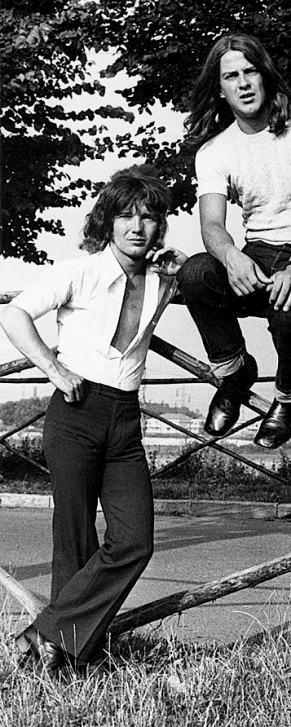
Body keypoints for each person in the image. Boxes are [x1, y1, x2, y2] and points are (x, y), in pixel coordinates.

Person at [0, 166, 186, 676]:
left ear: (160, 225)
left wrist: (180, 270)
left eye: (148, 217)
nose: (137, 227)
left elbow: (187, 281)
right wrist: (53, 368)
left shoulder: (163, 280)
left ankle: (44, 633)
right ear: (108, 221)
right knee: (75, 536)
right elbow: (14, 314)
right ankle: (68, 660)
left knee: (135, 540)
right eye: (126, 215)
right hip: (76, 411)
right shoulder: (78, 272)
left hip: (125, 418)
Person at [177, 33, 291, 449]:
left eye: (250, 71)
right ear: (220, 88)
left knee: (289, 311)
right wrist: (231, 256)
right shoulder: (214, 150)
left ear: (265, 75)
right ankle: (235, 373)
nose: (243, 83)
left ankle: (290, 396)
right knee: (195, 273)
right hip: (258, 252)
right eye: (231, 76)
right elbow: (212, 224)